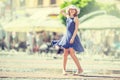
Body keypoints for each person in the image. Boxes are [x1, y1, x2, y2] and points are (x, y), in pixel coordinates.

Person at [52, 5, 84, 75]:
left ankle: (80, 69)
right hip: (66, 36)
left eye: (73, 9)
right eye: (71, 9)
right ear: (69, 10)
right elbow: (61, 11)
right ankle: (64, 70)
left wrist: (72, 38)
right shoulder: (68, 17)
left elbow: (76, 29)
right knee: (65, 54)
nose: (72, 10)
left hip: (73, 37)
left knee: (72, 54)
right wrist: (67, 7)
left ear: (76, 11)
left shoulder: (76, 18)